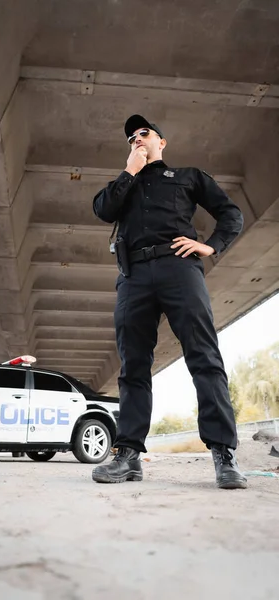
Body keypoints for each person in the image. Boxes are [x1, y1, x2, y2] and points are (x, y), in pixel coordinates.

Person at [92, 114, 247, 490]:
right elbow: (103, 211)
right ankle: (127, 455)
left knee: (204, 356)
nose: (137, 139)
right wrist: (129, 171)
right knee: (133, 365)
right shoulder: (121, 185)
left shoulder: (189, 176)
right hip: (133, 277)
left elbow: (231, 214)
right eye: (131, 138)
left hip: (180, 269)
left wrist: (210, 246)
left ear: (162, 142)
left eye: (144, 133)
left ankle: (224, 454)